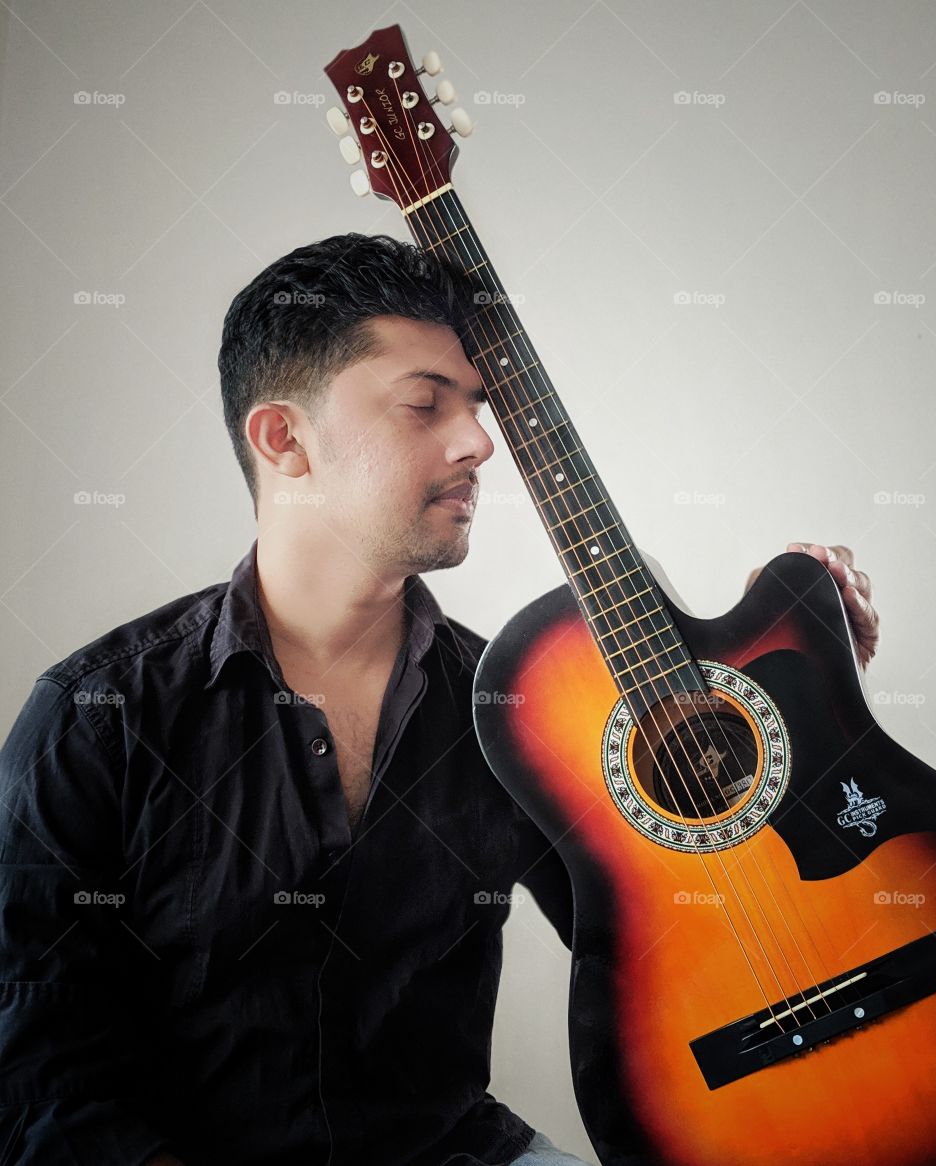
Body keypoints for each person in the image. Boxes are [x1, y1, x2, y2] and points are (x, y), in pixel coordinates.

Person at [0, 234, 880, 1166]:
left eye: (477, 404)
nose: (480, 442)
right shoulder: (98, 717)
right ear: (283, 439)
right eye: (425, 404)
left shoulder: (516, 716)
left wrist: (795, 691)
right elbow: (40, 1080)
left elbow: (699, 933)